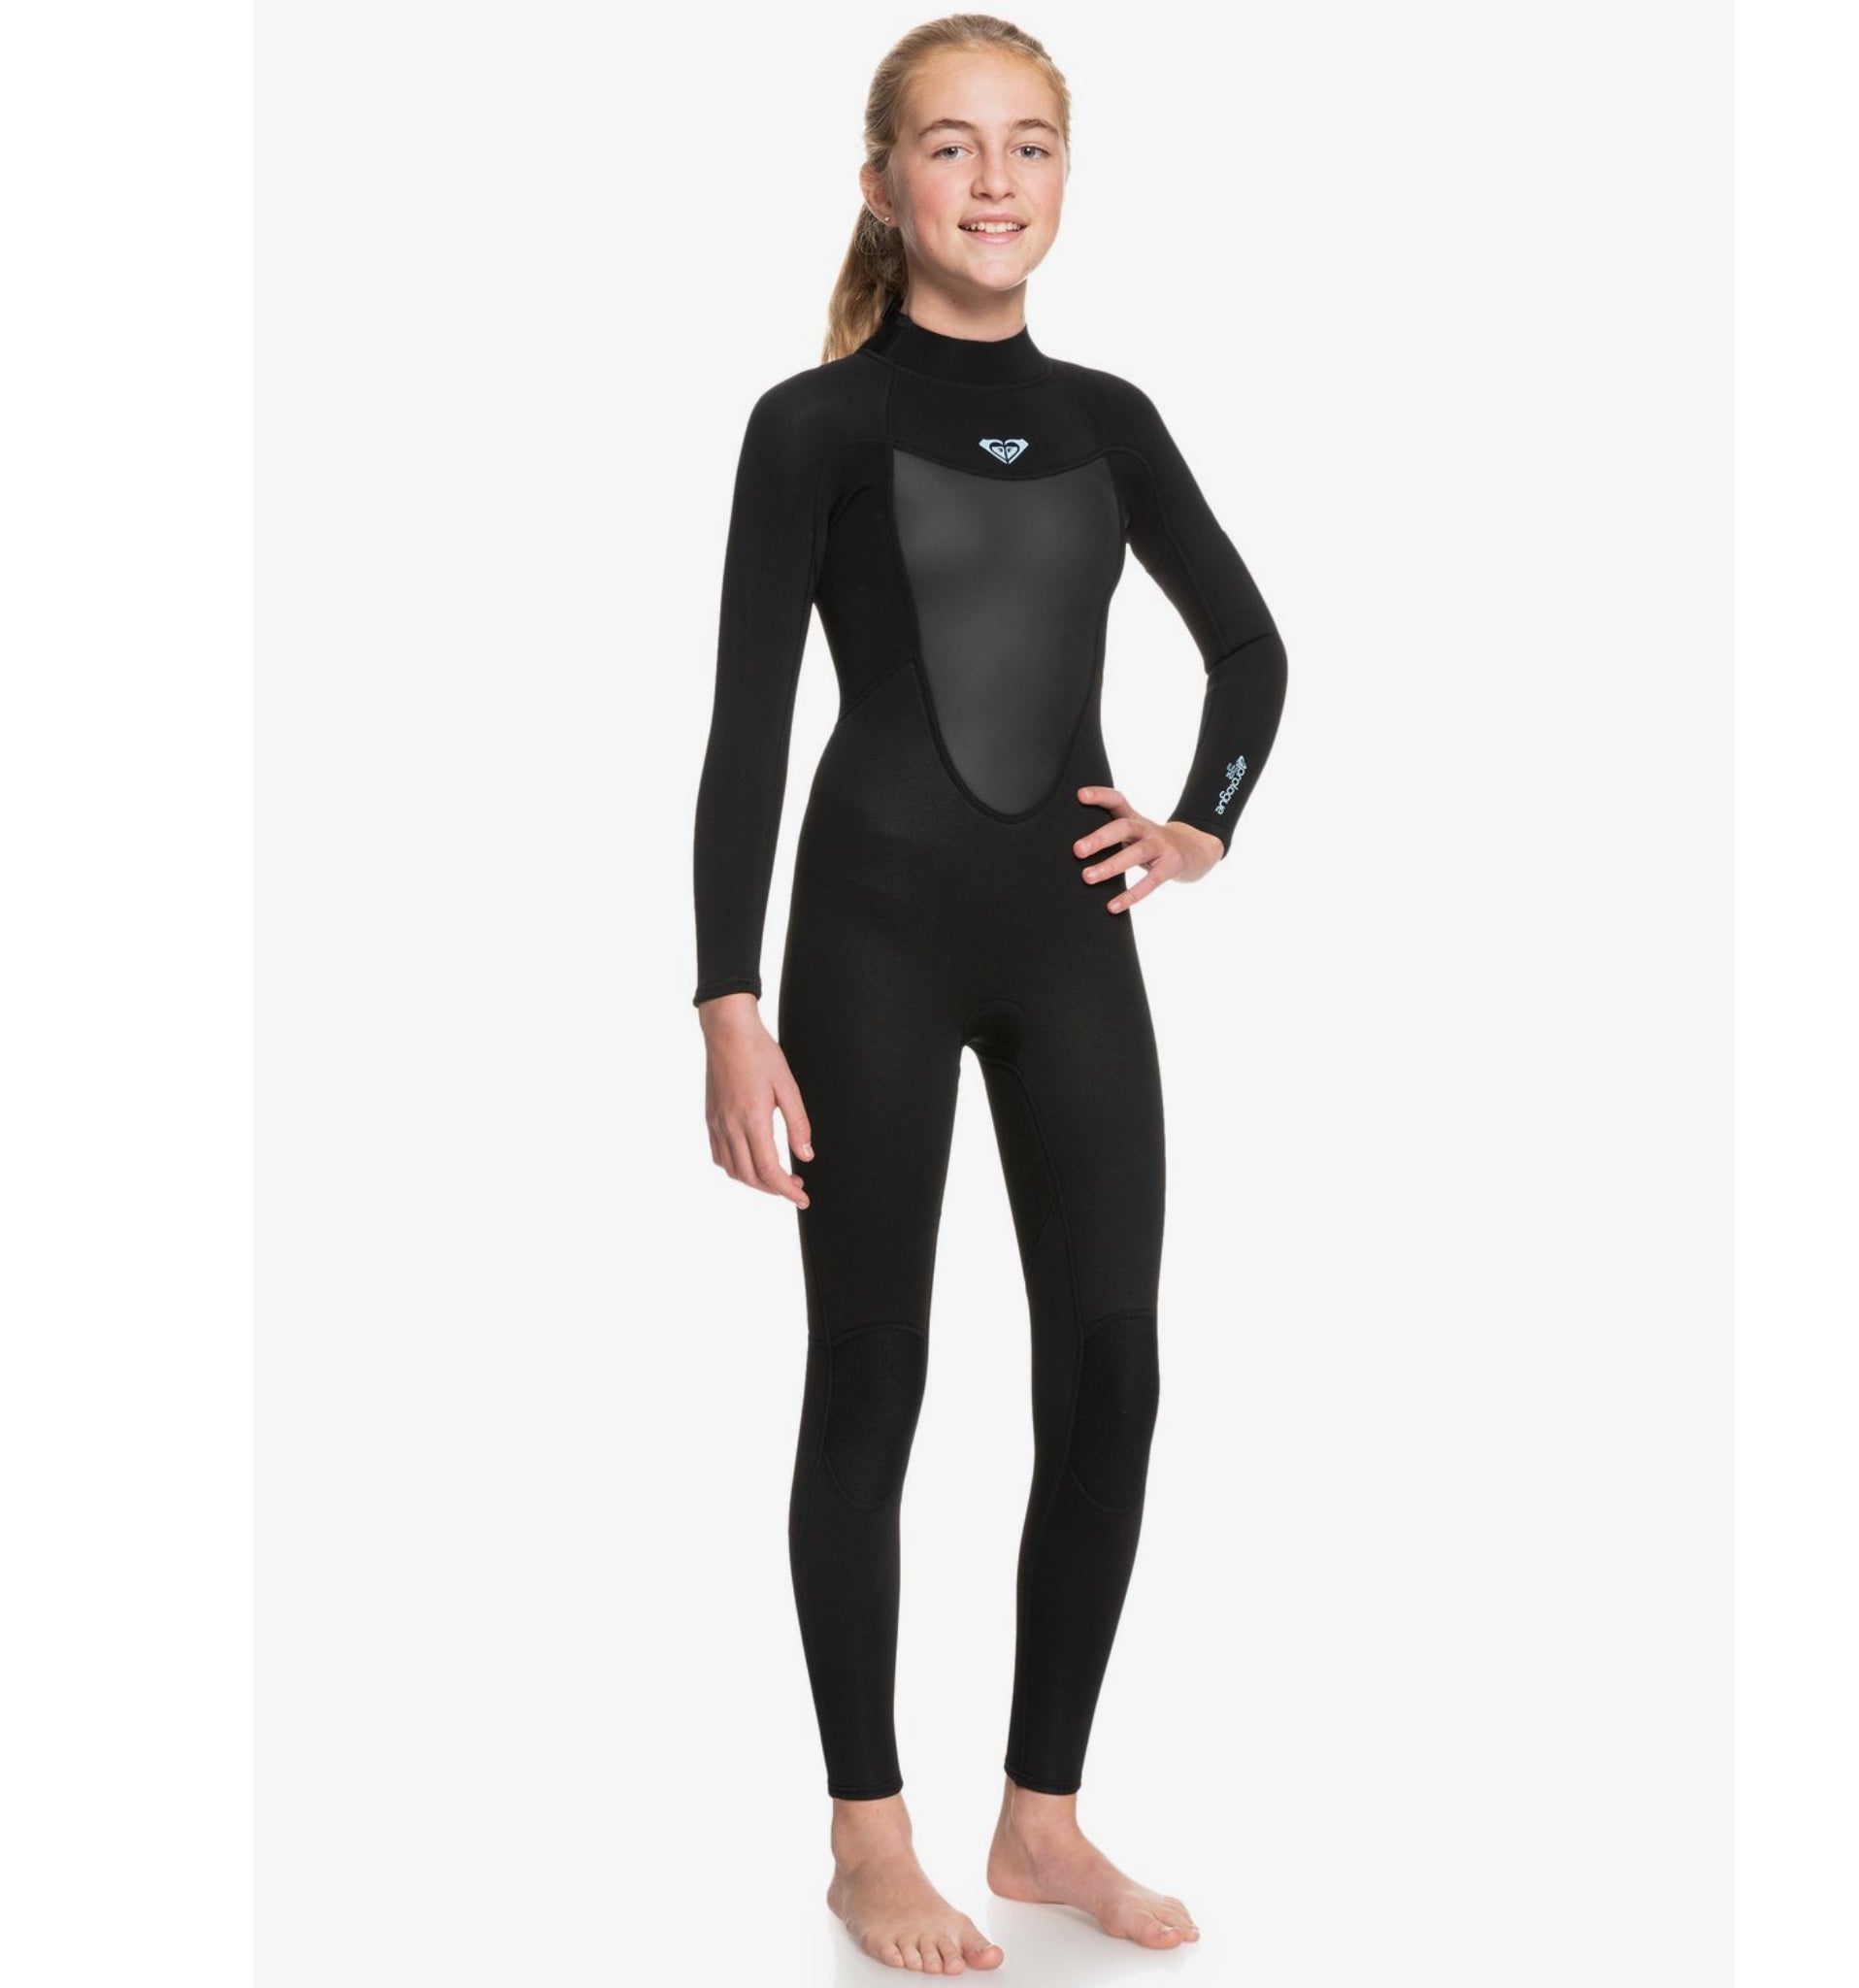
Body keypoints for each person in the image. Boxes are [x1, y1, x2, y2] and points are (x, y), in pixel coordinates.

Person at [692, 15, 1286, 1974]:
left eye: (1028, 143)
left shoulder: (1113, 416)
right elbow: (745, 729)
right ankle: (869, 1841)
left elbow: (1251, 649)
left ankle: (1041, 1820)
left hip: (1065, 945)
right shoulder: (813, 424)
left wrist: (1196, 826)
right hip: (867, 938)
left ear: (1063, 177)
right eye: (949, 146)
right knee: (874, 1373)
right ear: (883, 186)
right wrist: (726, 1000)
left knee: (1114, 1368)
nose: (994, 179)